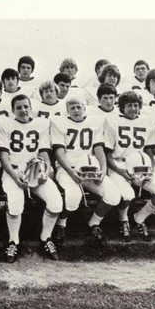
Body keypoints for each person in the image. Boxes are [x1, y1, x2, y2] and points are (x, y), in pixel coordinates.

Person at [0, 94, 63, 262]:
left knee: (56, 203)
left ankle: (45, 237)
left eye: (26, 106)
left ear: (31, 107)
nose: (23, 110)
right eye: (19, 107)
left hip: (35, 172)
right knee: (16, 205)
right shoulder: (4, 124)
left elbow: (44, 152)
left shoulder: (40, 124)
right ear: (12, 111)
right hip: (14, 172)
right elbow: (3, 157)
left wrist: (45, 171)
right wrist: (15, 178)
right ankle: (13, 241)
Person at [104, 91, 155, 241]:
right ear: (122, 107)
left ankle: (139, 218)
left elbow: (148, 149)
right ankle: (124, 221)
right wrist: (120, 171)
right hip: (119, 164)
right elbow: (108, 155)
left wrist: (152, 166)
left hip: (140, 166)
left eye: (136, 105)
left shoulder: (146, 122)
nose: (133, 109)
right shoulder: (112, 121)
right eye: (129, 105)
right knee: (127, 195)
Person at [51, 96, 120, 245]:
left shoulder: (94, 123)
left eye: (79, 107)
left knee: (113, 195)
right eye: (72, 108)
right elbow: (59, 153)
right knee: (73, 197)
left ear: (85, 108)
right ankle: (61, 224)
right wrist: (71, 173)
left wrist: (102, 171)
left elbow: (99, 148)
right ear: (67, 110)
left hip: (90, 168)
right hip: (68, 168)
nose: (76, 110)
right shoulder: (60, 123)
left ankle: (93, 223)